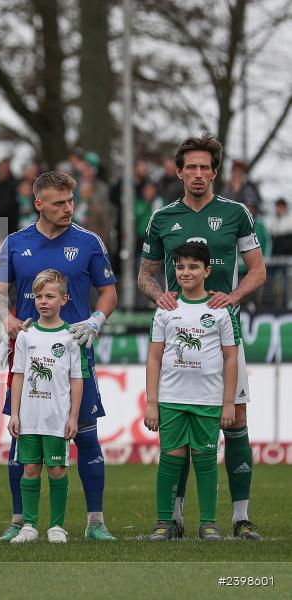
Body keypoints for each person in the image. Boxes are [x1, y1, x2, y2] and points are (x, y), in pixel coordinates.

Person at [138, 133, 266, 540]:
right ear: (178, 172)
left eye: (204, 168)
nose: (197, 174)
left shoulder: (236, 214)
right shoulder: (161, 218)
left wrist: (232, 297)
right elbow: (145, 275)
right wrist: (161, 297)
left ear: (215, 172)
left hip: (225, 336)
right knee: (181, 424)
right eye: (190, 167)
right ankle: (173, 518)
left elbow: (257, 270)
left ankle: (240, 518)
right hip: (178, 338)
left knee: (236, 420)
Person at [0, 171, 119, 542]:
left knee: (87, 436)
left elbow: (108, 293)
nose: (68, 208)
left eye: (70, 201)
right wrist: (8, 317)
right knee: (22, 440)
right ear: (39, 204)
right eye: (60, 203)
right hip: (30, 356)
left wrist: (95, 319)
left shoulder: (88, 241)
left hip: (75, 352)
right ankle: (19, 522)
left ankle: (95, 521)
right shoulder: (15, 243)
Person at [145, 242, 239, 541]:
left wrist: (228, 403)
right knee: (171, 458)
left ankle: (208, 522)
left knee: (205, 460)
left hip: (208, 400)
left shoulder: (220, 311)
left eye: (193, 266)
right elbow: (154, 357)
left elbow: (231, 357)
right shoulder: (165, 310)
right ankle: (164, 522)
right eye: (181, 267)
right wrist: (151, 402)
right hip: (171, 398)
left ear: (207, 270)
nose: (186, 272)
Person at [7, 269, 83, 543]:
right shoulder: (26, 336)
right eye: (38, 296)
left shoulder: (71, 337)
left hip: (56, 418)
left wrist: (73, 416)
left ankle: (56, 526)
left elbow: (76, 379)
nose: (43, 301)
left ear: (64, 299)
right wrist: (14, 414)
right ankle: (29, 526)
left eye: (50, 296)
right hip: (29, 417)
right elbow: (18, 376)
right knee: (29, 469)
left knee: (56, 470)